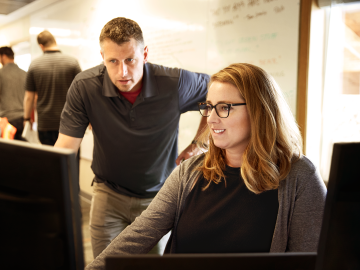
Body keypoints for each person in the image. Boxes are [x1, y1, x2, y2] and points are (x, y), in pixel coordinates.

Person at [85, 63, 327, 270]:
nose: (210, 118)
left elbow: (313, 261)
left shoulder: (299, 177)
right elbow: (140, 234)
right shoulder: (190, 172)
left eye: (224, 107)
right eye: (209, 106)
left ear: (258, 110)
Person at [54, 17, 209, 257]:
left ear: (144, 53)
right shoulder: (85, 86)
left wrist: (199, 144)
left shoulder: (173, 83)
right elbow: (65, 149)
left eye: (130, 60)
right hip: (108, 195)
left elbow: (222, 95)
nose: (122, 72)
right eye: (112, 61)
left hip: (159, 199)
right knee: (104, 264)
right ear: (102, 56)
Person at [24, 30, 81, 146]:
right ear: (55, 41)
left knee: (49, 161)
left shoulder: (34, 65)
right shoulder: (72, 62)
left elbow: (29, 97)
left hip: (46, 123)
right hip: (70, 122)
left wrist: (26, 119)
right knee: (70, 160)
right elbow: (83, 92)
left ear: (41, 46)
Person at [0, 46, 27, 140]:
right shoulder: (24, 74)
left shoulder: (1, 74)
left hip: (7, 121)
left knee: (7, 152)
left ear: (3, 56)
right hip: (24, 119)